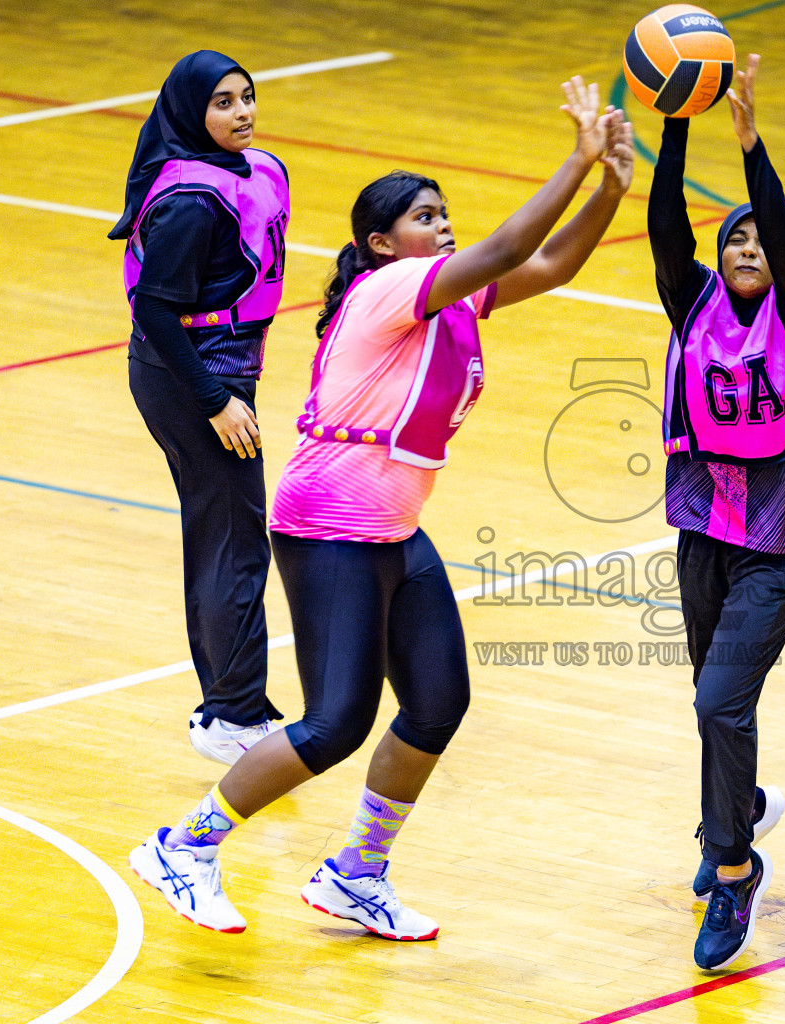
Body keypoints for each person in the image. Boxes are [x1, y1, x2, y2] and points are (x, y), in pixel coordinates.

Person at [129, 78, 636, 938]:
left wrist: (611, 189)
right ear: (379, 243)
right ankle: (183, 846)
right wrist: (577, 160)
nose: (443, 227)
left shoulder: (445, 298)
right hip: (330, 523)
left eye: (445, 215)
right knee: (334, 724)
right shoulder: (387, 292)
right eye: (425, 217)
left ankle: (356, 874)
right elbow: (514, 243)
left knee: (437, 701)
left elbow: (547, 264)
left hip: (392, 527)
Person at [649, 55, 785, 970]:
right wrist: (676, 117)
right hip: (704, 534)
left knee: (721, 700)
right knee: (714, 706)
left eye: (760, 242)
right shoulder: (692, 306)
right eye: (735, 241)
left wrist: (750, 144)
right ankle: (740, 806)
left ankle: (733, 868)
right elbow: (665, 224)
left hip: (781, 541)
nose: (748, 250)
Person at [111, 50, 289, 764]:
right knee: (234, 543)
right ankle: (234, 717)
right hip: (190, 375)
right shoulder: (190, 200)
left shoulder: (262, 168)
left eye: (246, 96)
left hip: (227, 367)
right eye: (222, 102)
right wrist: (215, 400)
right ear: (192, 112)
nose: (242, 111)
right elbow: (152, 308)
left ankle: (232, 703)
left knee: (229, 536)